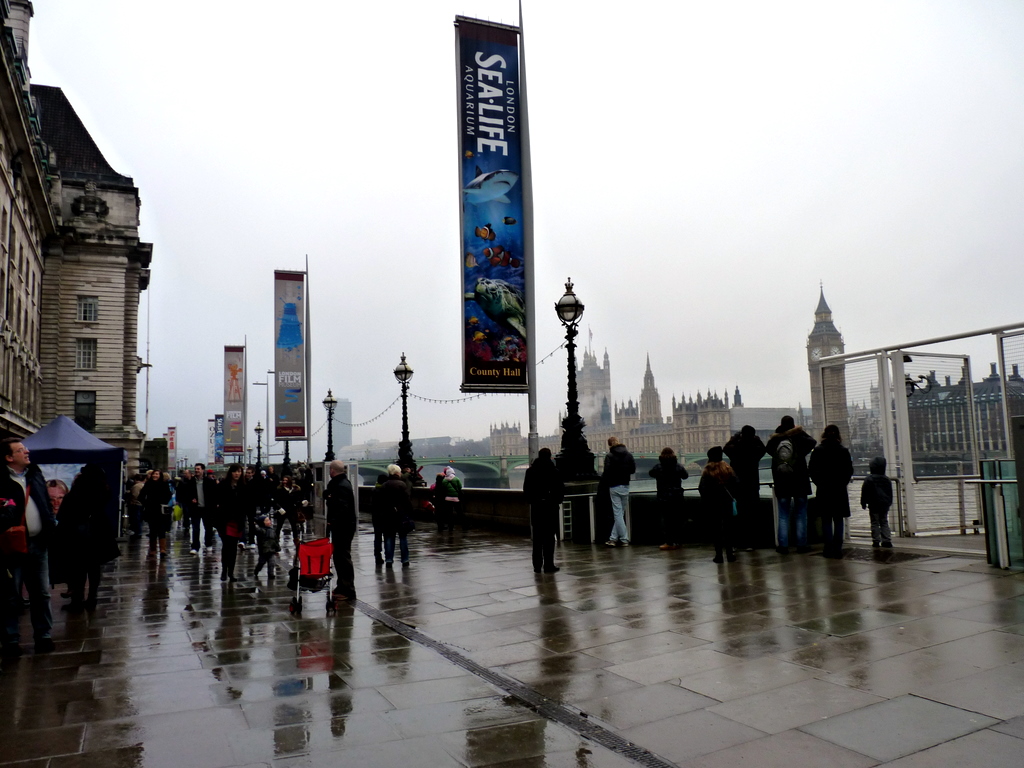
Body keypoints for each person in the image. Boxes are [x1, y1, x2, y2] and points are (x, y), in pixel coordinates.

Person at [0, 438, 57, 655]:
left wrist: (50, 522)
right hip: (12, 546)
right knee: (11, 595)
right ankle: (11, 640)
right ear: (9, 457)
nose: (27, 452)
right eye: (21, 450)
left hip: (38, 543)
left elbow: (45, 503)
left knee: (41, 593)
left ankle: (44, 636)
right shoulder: (2, 479)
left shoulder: (35, 474)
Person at [55, 464, 118, 611]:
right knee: (94, 568)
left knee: (79, 569)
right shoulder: (103, 490)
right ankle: (92, 597)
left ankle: (77, 600)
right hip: (99, 532)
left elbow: (64, 514)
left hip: (78, 535)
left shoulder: (77, 491)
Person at [765, 415, 816, 554]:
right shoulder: (800, 438)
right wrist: (798, 431)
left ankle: (783, 546)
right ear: (794, 426)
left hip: (782, 482)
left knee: (783, 515)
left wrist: (779, 432)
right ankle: (801, 545)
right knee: (801, 514)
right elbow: (813, 442)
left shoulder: (775, 440)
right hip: (800, 482)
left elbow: (767, 449)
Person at [808, 424, 854, 559]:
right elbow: (849, 471)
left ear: (824, 435)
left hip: (824, 490)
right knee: (839, 519)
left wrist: (820, 483)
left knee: (826, 519)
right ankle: (838, 548)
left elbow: (812, 470)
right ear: (838, 435)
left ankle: (828, 548)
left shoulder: (818, 451)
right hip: (839, 490)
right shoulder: (843, 451)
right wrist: (842, 483)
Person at [723, 425, 767, 550]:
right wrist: (756, 439)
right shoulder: (755, 448)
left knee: (738, 515)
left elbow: (725, 449)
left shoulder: (735, 447)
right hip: (752, 484)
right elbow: (764, 449)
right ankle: (752, 543)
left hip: (738, 485)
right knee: (753, 514)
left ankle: (738, 543)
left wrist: (735, 438)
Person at [523, 448, 565, 573]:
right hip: (550, 507)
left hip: (537, 508)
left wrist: (533, 501)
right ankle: (548, 565)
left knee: (537, 538)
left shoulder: (530, 471)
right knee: (549, 538)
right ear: (550, 456)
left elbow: (526, 489)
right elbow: (560, 489)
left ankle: (536, 565)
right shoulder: (554, 471)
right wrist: (556, 501)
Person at [698, 446, 740, 563]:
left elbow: (702, 489)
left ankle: (719, 555)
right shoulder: (728, 469)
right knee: (729, 529)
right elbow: (737, 484)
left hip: (713, 505)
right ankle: (730, 554)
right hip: (726, 503)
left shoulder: (707, 472)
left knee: (716, 530)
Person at [323, 461, 357, 600]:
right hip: (341, 525)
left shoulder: (341, 486)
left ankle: (348, 589)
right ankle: (342, 585)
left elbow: (341, 507)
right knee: (338, 557)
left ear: (332, 470)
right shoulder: (339, 483)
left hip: (343, 526)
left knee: (343, 557)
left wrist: (334, 521)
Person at [648, 447, 688, 550]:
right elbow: (685, 476)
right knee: (678, 520)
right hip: (677, 496)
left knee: (667, 521)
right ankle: (678, 541)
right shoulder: (678, 466)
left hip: (664, 496)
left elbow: (651, 473)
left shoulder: (658, 467)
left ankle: (669, 542)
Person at [602, 436, 636, 547]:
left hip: (614, 486)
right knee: (620, 513)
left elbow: (606, 472)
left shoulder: (609, 456)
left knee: (617, 513)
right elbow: (633, 470)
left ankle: (624, 539)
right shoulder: (629, 455)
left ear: (610, 445)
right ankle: (613, 539)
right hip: (625, 485)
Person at [216, 464, 246, 582]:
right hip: (225, 520)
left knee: (233, 548)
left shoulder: (243, 486)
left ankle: (231, 573)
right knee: (226, 546)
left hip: (237, 521)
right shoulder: (223, 485)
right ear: (231, 473)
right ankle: (224, 571)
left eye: (239, 472)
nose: (237, 474)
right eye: (234, 472)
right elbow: (218, 500)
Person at [380, 464, 412, 567]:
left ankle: (389, 560)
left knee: (389, 538)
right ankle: (405, 560)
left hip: (388, 515)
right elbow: (407, 501)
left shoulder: (384, 485)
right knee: (402, 537)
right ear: (397, 473)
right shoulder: (401, 485)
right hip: (400, 514)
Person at [861, 456, 894, 548]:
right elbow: (890, 493)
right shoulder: (886, 479)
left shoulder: (869, 479)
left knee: (875, 522)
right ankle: (887, 540)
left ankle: (876, 541)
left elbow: (864, 492)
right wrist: (889, 502)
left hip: (873, 504)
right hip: (884, 504)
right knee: (884, 521)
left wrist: (863, 502)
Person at [185, 462, 218, 553]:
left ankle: (208, 543)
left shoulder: (209, 482)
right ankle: (195, 546)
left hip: (207, 508)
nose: (196, 471)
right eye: (195, 469)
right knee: (195, 528)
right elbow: (186, 495)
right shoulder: (190, 482)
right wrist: (191, 499)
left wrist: (214, 506)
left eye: (198, 469)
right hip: (195, 508)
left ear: (203, 470)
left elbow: (215, 495)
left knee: (208, 527)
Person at [139, 469, 172, 557]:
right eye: (154, 474)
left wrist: (163, 502)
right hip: (151, 510)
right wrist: (146, 503)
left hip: (160, 510)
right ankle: (153, 549)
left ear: (160, 475)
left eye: (157, 474)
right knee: (152, 530)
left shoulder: (164, 484)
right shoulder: (148, 484)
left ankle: (162, 549)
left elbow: (169, 495)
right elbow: (141, 496)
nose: (155, 476)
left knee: (161, 529)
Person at [274, 474, 304, 550]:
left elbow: (297, 500)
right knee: (279, 526)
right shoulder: (279, 490)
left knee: (294, 526)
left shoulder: (294, 490)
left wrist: (301, 503)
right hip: (282, 510)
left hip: (291, 510)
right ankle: (276, 542)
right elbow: (276, 500)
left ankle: (296, 541)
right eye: (283, 480)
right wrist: (279, 508)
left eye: (286, 480)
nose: (284, 482)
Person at [252, 512, 279, 579]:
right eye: (266, 521)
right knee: (261, 562)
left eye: (269, 520)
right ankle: (257, 570)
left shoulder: (272, 530)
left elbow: (275, 540)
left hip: (271, 550)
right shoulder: (261, 530)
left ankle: (271, 574)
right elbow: (256, 530)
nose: (269, 522)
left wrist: (277, 548)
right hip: (264, 551)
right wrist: (254, 524)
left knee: (271, 563)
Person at [371, 473, 389, 564]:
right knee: (387, 537)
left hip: (376, 517)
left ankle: (377, 555)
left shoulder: (374, 490)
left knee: (377, 537)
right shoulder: (386, 491)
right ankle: (388, 555)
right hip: (385, 516)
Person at [439, 466, 463, 532]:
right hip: (456, 498)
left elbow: (443, 488)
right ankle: (464, 525)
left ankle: (450, 526)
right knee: (459, 512)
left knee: (449, 514)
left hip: (447, 499)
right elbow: (460, 487)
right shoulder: (456, 479)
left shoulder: (444, 480)